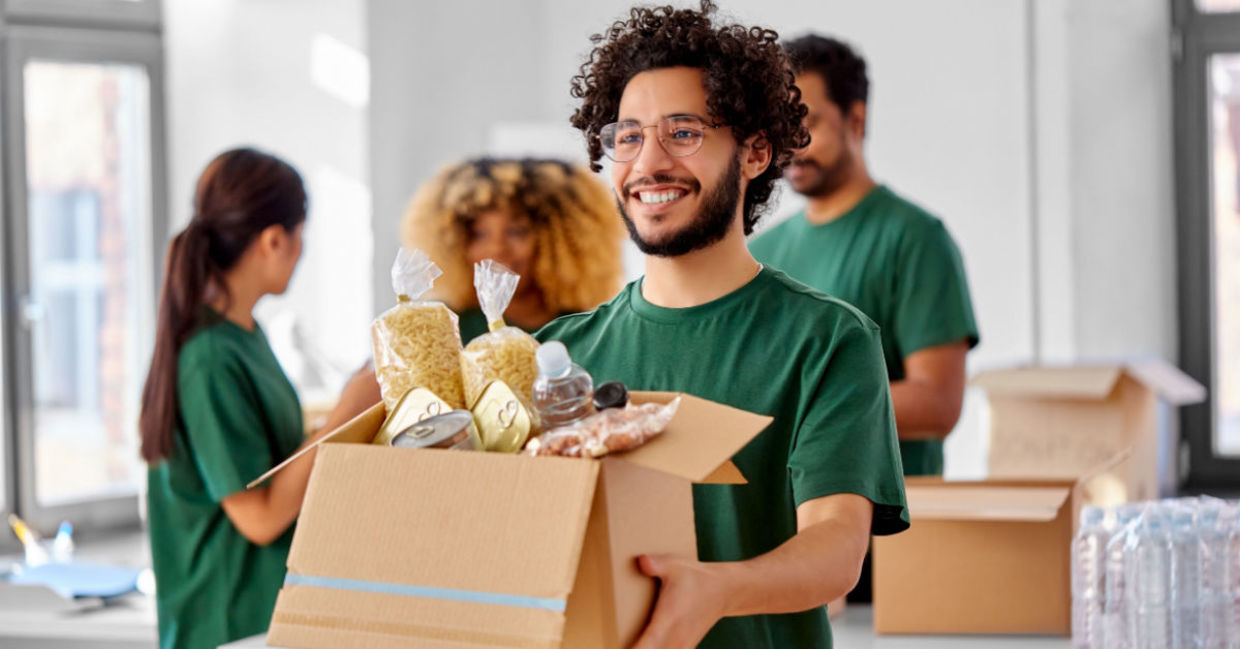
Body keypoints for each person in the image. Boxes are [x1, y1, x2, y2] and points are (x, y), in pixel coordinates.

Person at [538, 3, 908, 647]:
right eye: (627, 136)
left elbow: (836, 547)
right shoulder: (557, 356)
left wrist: (716, 590)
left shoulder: (827, 342)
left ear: (755, 152)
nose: (648, 162)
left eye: (682, 132)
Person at [139, 148, 381, 649]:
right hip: (225, 626)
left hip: (262, 616)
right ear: (275, 239)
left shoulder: (245, 336)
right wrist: (345, 413)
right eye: (300, 236)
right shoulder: (209, 357)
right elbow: (260, 516)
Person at [751, 34, 980, 479]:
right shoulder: (758, 253)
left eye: (807, 124)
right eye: (780, 128)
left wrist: (796, 407)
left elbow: (938, 405)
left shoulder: (915, 238)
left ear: (856, 120)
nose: (791, 145)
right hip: (784, 524)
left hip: (891, 529)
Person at [402, 157, 626, 343]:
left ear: (559, 242)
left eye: (517, 232)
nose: (498, 248)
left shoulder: (587, 330)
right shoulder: (442, 328)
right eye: (479, 234)